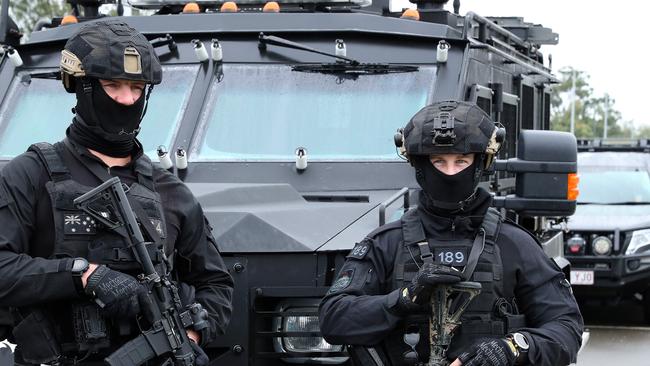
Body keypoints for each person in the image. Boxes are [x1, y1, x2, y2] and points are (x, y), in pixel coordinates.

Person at [0, 20, 233, 365]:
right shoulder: (30, 175)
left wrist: (191, 332)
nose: (126, 99)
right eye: (113, 85)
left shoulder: (171, 192)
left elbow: (215, 285)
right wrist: (84, 276)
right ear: (82, 87)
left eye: (136, 88)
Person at [319, 100, 583, 366]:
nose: (450, 172)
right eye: (439, 161)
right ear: (420, 166)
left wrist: (512, 348)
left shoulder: (515, 244)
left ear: (481, 162)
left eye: (461, 161)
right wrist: (404, 299)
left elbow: (566, 329)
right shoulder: (386, 244)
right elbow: (333, 319)